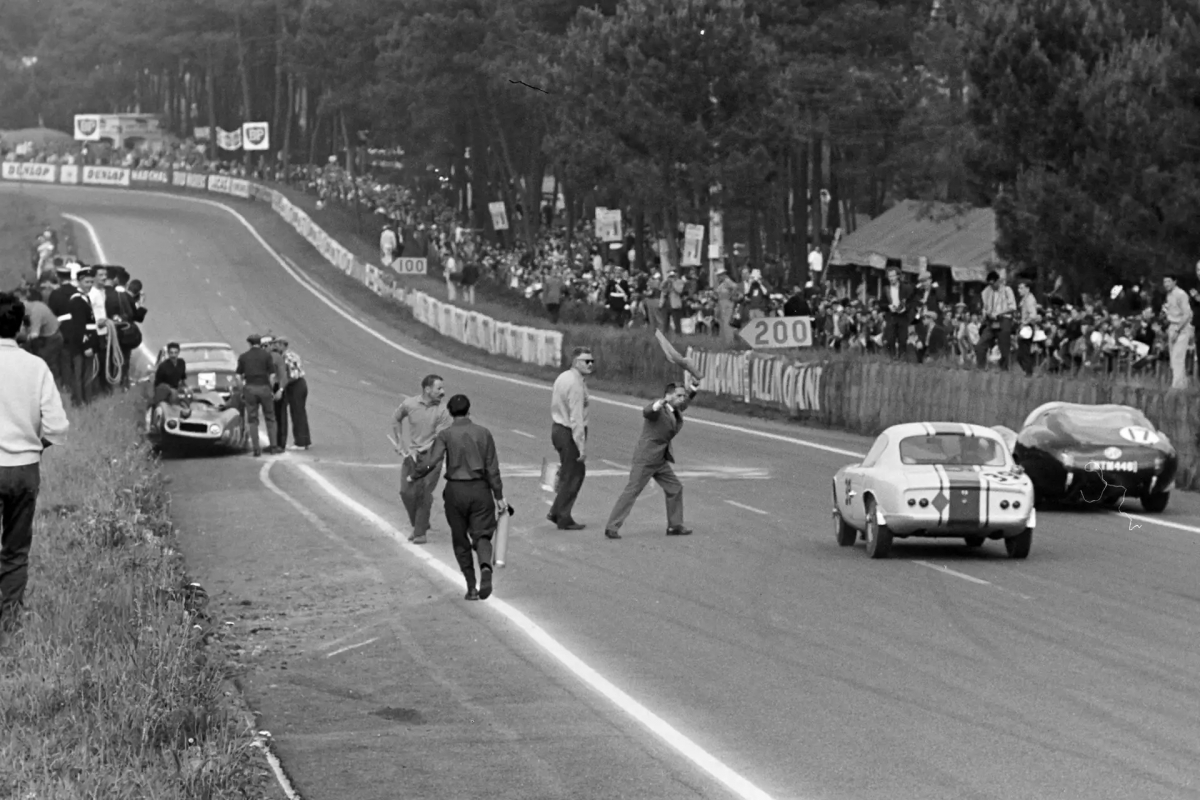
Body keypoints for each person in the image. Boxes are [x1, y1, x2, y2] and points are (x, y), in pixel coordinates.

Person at [0, 292, 69, 635]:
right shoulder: (36, 366)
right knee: (15, 548)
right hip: (24, 468)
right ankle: (10, 618)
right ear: (21, 327)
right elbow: (58, 426)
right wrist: (35, 448)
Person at [410, 394, 506, 601]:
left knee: (460, 539)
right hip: (480, 490)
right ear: (469, 410)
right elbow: (492, 468)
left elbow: (433, 461)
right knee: (482, 535)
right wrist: (498, 495)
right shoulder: (484, 433)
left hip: (455, 491)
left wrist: (416, 473)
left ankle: (471, 587)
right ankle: (485, 567)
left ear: (451, 413)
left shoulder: (445, 435)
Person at [603, 379, 699, 540]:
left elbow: (685, 402)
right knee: (632, 491)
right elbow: (647, 411)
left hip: (660, 459)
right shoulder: (659, 410)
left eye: (683, 396)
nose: (682, 398)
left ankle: (675, 526)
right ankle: (612, 527)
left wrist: (693, 387)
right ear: (668, 396)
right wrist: (661, 402)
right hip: (646, 458)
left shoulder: (675, 409)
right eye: (679, 396)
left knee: (675, 488)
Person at [392, 374, 452, 545]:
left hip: (433, 457)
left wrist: (425, 452)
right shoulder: (409, 404)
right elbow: (396, 418)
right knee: (406, 492)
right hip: (412, 456)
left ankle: (419, 533)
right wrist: (399, 442)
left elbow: (440, 439)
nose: (443, 392)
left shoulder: (444, 411)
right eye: (439, 388)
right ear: (427, 389)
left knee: (424, 492)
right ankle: (421, 523)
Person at [548, 347, 593, 530]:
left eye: (591, 361)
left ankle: (557, 511)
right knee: (575, 474)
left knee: (570, 473)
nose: (590, 364)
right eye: (586, 361)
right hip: (569, 432)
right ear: (576, 362)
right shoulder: (575, 384)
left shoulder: (564, 377)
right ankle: (562, 516)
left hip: (558, 428)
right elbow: (576, 418)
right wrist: (581, 447)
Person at [236, 334, 281, 457]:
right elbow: (272, 375)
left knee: (252, 419)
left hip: (250, 388)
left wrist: (242, 390)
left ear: (249, 343)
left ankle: (256, 448)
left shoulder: (244, 357)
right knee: (270, 417)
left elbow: (238, 376)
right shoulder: (266, 356)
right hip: (264, 387)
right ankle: (273, 446)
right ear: (260, 343)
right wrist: (270, 389)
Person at [62, 267, 99, 406]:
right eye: (86, 282)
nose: (89, 285)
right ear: (79, 282)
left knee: (85, 373)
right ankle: (80, 401)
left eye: (91, 282)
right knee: (81, 374)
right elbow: (79, 327)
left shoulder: (84, 298)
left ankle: (84, 400)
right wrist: (87, 345)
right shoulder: (77, 300)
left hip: (87, 341)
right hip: (82, 344)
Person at [14, 287, 63, 385]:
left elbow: (34, 335)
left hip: (52, 338)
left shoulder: (35, 313)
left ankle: (54, 386)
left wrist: (19, 340)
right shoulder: (36, 304)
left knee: (46, 362)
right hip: (47, 335)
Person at [274, 336, 311, 450]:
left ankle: (300, 442)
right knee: (300, 412)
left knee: (297, 413)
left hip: (295, 385)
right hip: (301, 383)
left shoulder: (286, 357)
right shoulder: (293, 354)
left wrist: (281, 387)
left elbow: (290, 375)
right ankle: (304, 440)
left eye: (277, 345)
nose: (276, 347)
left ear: (282, 345)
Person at [976, 270, 1017, 370]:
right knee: (981, 344)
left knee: (1004, 347)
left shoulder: (1007, 290)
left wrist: (999, 313)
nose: (992, 286)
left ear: (998, 281)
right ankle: (981, 367)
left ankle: (1004, 369)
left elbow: (1013, 307)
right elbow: (985, 307)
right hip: (991, 321)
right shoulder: (987, 292)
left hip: (1004, 320)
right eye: (990, 284)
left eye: (993, 283)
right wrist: (986, 313)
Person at [1162, 274, 1193, 389]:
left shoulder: (1181, 294)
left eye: (1169, 281)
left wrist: (1177, 330)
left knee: (1177, 358)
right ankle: (1182, 385)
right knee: (1173, 358)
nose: (1166, 284)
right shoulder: (1169, 295)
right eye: (1165, 282)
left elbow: (1187, 314)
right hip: (1172, 325)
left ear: (1175, 282)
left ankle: (1176, 386)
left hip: (1181, 327)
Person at [881, 266, 912, 358]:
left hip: (903, 316)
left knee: (902, 339)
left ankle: (902, 358)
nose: (891, 278)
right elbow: (881, 303)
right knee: (890, 339)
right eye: (889, 276)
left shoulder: (906, 288)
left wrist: (905, 308)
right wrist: (888, 306)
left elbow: (912, 302)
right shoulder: (886, 289)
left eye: (893, 276)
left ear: (898, 276)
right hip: (891, 316)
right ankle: (891, 358)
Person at [151, 341, 188, 406]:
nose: (173, 355)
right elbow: (157, 384)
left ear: (178, 353)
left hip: (178, 391)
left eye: (175, 353)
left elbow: (183, 379)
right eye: (171, 353)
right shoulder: (163, 366)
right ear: (168, 353)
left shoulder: (181, 363)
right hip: (166, 393)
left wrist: (186, 389)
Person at [714, 268, 739, 343]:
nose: (718, 277)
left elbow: (735, 286)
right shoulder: (721, 283)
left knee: (727, 321)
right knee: (722, 321)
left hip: (726, 303)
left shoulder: (727, 281)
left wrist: (731, 295)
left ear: (723, 275)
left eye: (719, 275)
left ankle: (729, 340)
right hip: (721, 302)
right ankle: (724, 339)